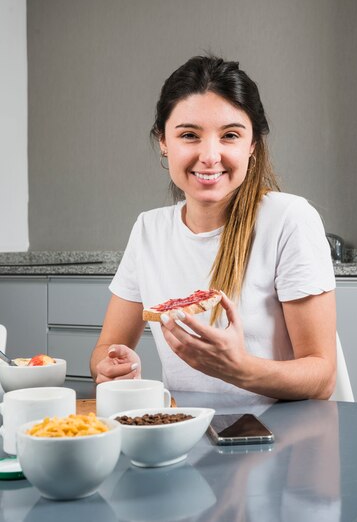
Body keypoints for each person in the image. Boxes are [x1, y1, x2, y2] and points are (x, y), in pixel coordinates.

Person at [90, 55, 336, 404]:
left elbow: (322, 376)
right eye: (189, 135)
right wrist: (109, 366)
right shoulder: (149, 229)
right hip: (187, 436)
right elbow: (104, 349)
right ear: (163, 141)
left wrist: (240, 369)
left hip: (281, 440)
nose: (209, 155)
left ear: (252, 145)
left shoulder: (289, 219)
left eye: (230, 135)